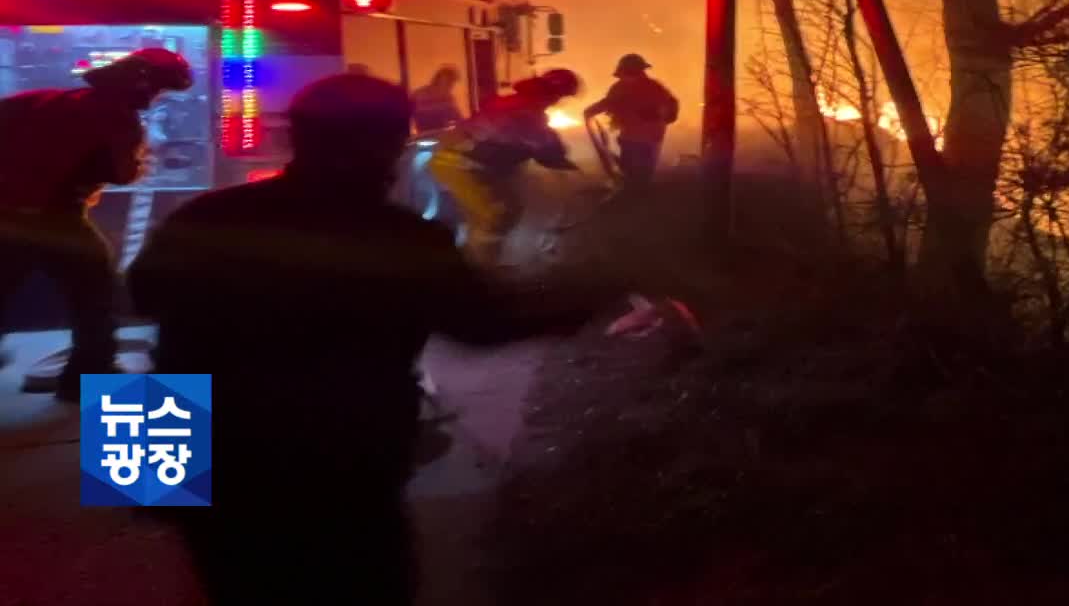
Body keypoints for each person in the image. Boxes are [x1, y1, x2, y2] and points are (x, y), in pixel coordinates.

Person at [128, 73, 628, 606]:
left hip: (197, 449)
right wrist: (600, 297)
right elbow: (483, 327)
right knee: (364, 583)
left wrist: (139, 470)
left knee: (235, 585)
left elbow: (140, 299)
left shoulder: (206, 215)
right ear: (387, 145)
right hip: (340, 457)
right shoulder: (405, 238)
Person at [0, 48, 192, 401]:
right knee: (95, 292)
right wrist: (143, 157)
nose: (156, 97)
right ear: (142, 84)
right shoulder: (119, 120)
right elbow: (122, 174)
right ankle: (89, 373)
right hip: (55, 219)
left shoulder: (43, 99)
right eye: (159, 89)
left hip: (6, 215)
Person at [425, 68, 580, 265]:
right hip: (458, 164)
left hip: (468, 163)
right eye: (560, 96)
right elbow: (547, 150)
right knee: (495, 215)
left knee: (505, 210)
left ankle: (474, 258)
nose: (557, 101)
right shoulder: (527, 112)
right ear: (552, 93)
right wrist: (564, 162)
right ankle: (480, 270)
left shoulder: (518, 104)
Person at [583, 53, 679, 191]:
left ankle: (635, 198)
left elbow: (671, 105)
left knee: (639, 176)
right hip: (632, 137)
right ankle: (633, 196)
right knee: (631, 174)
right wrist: (591, 111)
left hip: (648, 139)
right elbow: (609, 103)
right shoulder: (622, 87)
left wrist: (662, 117)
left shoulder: (653, 88)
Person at [409, 65, 463, 134]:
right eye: (449, 82)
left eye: (452, 83)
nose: (451, 86)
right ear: (438, 80)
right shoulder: (418, 95)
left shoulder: (448, 98)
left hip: (442, 137)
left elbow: (458, 118)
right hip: (424, 137)